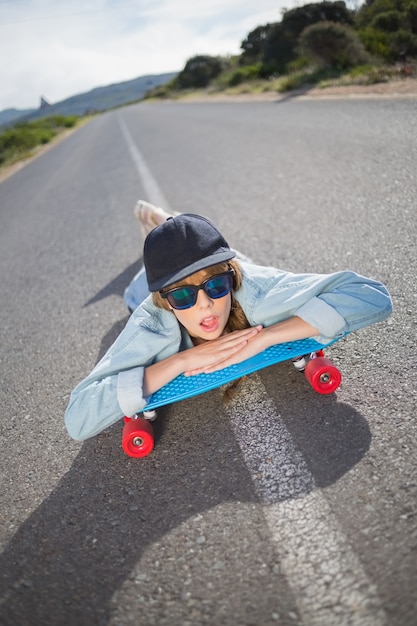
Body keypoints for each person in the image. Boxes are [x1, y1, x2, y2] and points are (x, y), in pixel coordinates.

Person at [64, 202, 392, 441]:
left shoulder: (254, 287)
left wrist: (267, 337)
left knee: (232, 261)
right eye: (183, 297)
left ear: (229, 279)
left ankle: (169, 224)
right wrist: (182, 360)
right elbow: (78, 419)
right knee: (137, 290)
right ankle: (156, 220)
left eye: (216, 287)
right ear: (166, 301)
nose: (205, 305)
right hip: (142, 286)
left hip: (239, 264)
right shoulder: (151, 321)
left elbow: (374, 296)